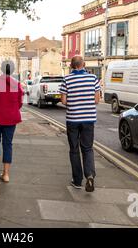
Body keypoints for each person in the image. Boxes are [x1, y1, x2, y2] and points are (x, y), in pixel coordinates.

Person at [60, 56, 101, 192]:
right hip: (88, 119)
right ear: (83, 64)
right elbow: (96, 100)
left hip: (73, 119)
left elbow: (64, 101)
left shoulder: (67, 79)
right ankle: (89, 175)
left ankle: (77, 181)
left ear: (71, 65)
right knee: (88, 148)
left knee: (74, 149)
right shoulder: (93, 78)